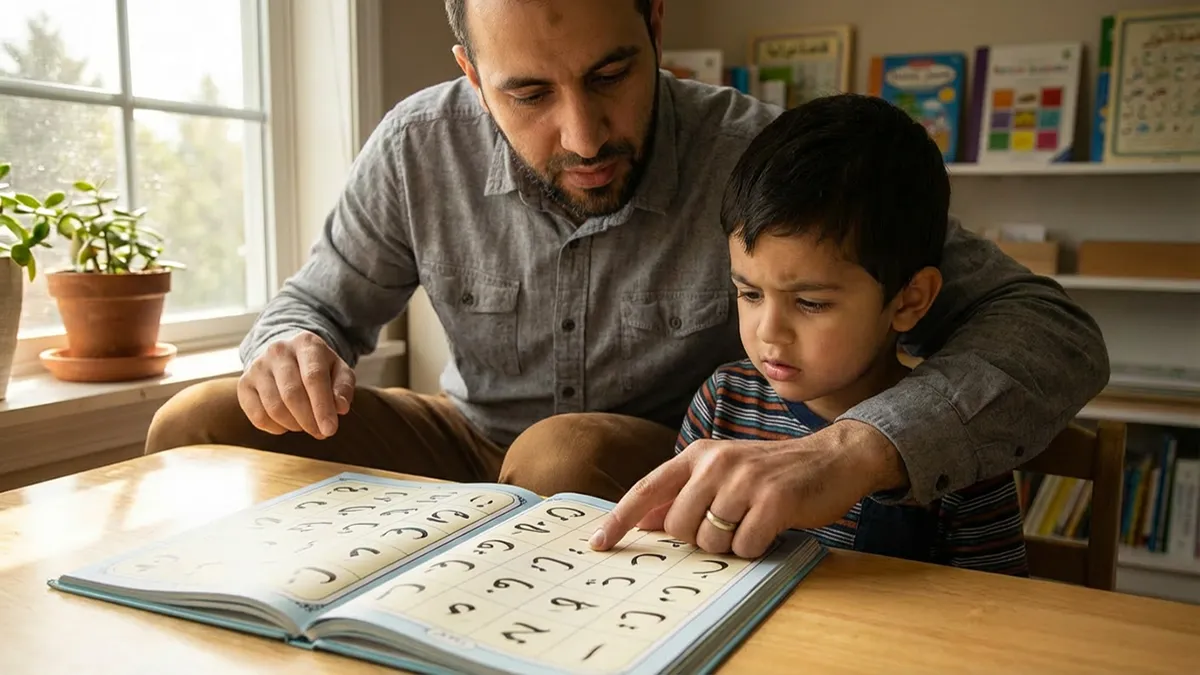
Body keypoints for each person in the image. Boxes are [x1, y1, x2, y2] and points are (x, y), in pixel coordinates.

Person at [145, 0, 1108, 517]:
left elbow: (1052, 331)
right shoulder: (414, 147)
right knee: (198, 420)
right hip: (462, 444)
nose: (583, 133)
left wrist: (855, 447)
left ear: (655, 25)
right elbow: (313, 306)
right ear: (471, 76)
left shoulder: (757, 159)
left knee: (561, 453)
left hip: (653, 462)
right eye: (528, 94)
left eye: (611, 74)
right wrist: (293, 346)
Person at [590, 94, 1028, 575]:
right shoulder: (723, 402)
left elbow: (995, 605)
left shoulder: (956, 445)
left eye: (811, 303)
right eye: (749, 293)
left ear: (908, 300)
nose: (769, 331)